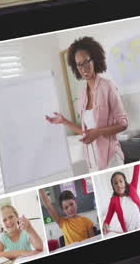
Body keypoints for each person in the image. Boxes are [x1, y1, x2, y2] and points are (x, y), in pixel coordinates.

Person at [45, 37, 129, 172]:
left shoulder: (108, 86)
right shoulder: (82, 93)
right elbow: (86, 133)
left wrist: (97, 132)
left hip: (111, 158)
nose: (83, 68)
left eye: (86, 62)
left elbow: (124, 123)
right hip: (92, 160)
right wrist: (63, 121)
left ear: (94, 59)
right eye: (79, 64)